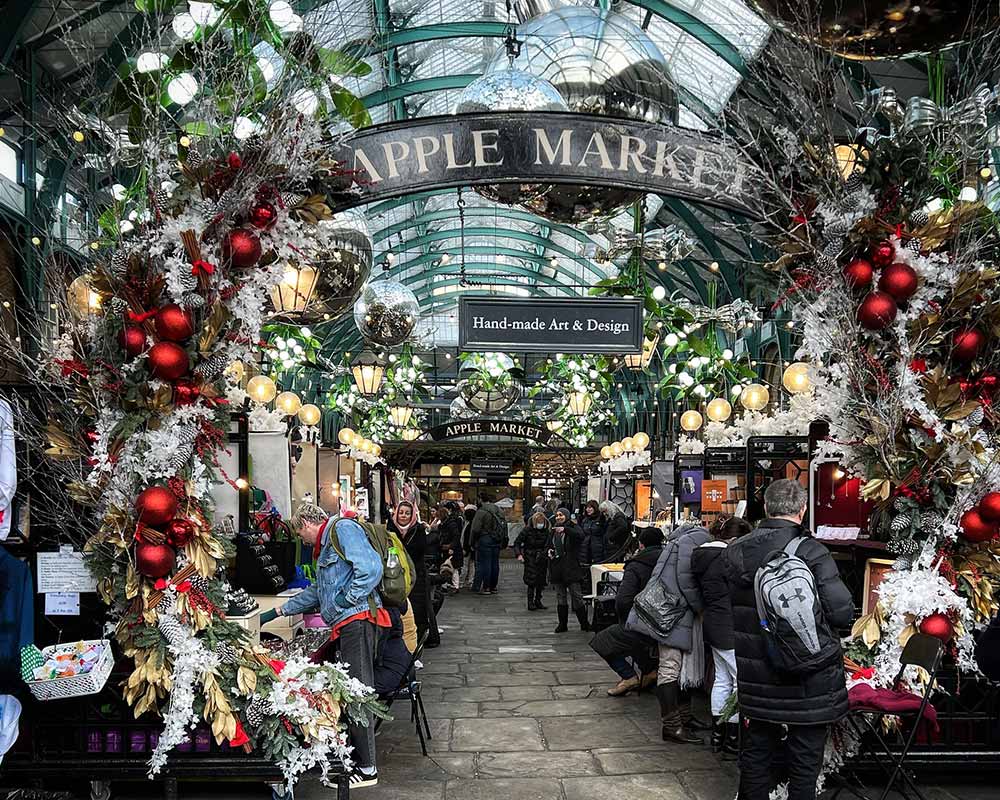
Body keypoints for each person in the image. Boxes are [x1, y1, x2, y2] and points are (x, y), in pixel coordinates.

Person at [725, 479, 853, 800]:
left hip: (758, 680)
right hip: (810, 680)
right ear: (803, 509)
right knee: (804, 764)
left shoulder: (735, 552)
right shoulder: (813, 551)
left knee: (755, 759)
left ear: (766, 508)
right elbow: (841, 614)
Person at [270, 502, 385, 788]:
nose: (302, 540)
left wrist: (347, 599)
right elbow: (318, 592)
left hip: (357, 621)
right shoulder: (326, 545)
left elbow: (371, 568)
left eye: (300, 534)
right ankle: (358, 757)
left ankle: (367, 768)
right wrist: (278, 612)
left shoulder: (342, 530)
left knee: (359, 691)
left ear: (307, 524)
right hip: (348, 623)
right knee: (353, 689)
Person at [626, 521, 710, 745]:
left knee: (677, 666)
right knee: (670, 667)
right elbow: (687, 581)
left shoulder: (680, 539)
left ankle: (683, 718)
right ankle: (672, 726)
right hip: (673, 613)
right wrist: (700, 608)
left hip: (670, 610)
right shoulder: (697, 540)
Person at [692, 515, 751, 755]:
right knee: (739, 682)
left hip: (713, 623)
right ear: (734, 539)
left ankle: (719, 735)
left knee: (722, 679)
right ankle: (733, 739)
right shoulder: (727, 559)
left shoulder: (702, 557)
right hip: (730, 624)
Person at [589, 527, 664, 696]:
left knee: (602, 640)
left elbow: (623, 599)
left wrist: (624, 619)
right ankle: (650, 672)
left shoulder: (637, 565)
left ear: (642, 544)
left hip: (642, 621)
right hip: (667, 621)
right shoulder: (669, 561)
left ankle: (629, 676)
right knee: (631, 640)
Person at [387, 501, 439, 649]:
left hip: (416, 575)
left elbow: (420, 550)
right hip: (395, 576)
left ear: (412, 515)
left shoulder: (418, 529)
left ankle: (415, 646)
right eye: (401, 512)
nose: (403, 516)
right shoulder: (390, 529)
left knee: (417, 610)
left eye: (407, 513)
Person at [546, 507, 589, 633]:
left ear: (566, 516)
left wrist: (565, 529)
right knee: (561, 596)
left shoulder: (572, 527)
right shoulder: (553, 530)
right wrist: (549, 550)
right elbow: (549, 544)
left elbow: (580, 536)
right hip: (557, 567)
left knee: (576, 595)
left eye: (561, 515)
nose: (559, 517)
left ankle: (584, 623)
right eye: (557, 515)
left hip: (571, 567)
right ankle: (562, 624)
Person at [471, 493, 507, 594]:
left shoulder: (481, 511)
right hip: (496, 539)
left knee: (485, 563)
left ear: (480, 499)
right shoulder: (499, 510)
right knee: (495, 563)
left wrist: (472, 542)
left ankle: (486, 587)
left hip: (484, 539)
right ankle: (493, 587)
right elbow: (504, 526)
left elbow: (475, 529)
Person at [514, 511, 550, 611]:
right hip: (530, 558)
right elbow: (517, 542)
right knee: (531, 581)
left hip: (542, 557)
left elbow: (548, 544)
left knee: (541, 581)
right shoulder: (527, 530)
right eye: (539, 521)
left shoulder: (546, 531)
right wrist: (519, 555)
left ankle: (538, 600)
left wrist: (546, 552)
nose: (540, 523)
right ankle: (530, 602)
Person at [374, 606, 412, 696]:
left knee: (355, 684)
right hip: (401, 670)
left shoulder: (383, 618)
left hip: (390, 677)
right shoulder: (392, 611)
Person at [438, 502, 465, 592]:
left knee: (452, 568)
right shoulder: (447, 524)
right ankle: (449, 585)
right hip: (449, 548)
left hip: (451, 549)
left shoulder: (449, 524)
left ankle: (452, 586)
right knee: (450, 567)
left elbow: (456, 537)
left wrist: (451, 547)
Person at [579, 499, 608, 570]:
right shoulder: (585, 520)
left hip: (598, 547)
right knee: (585, 568)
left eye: (590, 507)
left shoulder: (601, 519)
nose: (587, 509)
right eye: (586, 508)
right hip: (585, 547)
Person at [461, 505, 477, 589]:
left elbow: (466, 538)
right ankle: (470, 581)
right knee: (472, 565)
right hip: (472, 548)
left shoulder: (468, 525)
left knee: (465, 565)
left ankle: (461, 581)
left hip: (467, 548)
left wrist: (464, 548)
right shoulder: (473, 524)